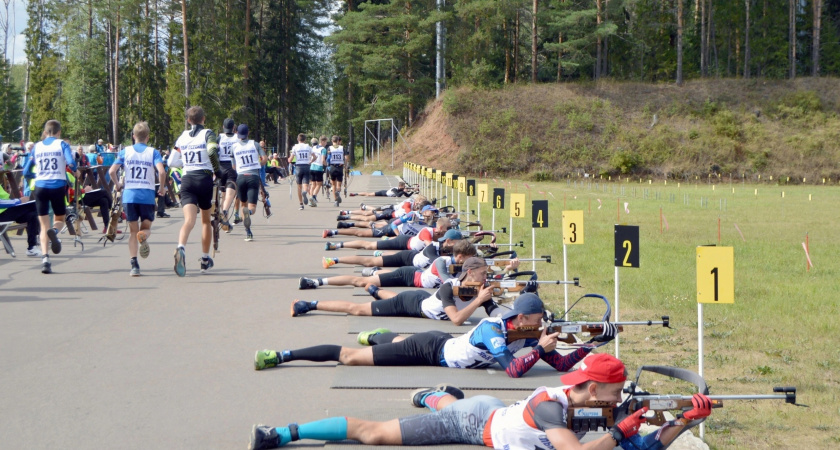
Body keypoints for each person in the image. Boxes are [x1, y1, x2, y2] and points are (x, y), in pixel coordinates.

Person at [248, 353, 713, 450]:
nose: (620, 399)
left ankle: (435, 397)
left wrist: (684, 421)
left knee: (449, 403)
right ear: (592, 390)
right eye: (615, 393)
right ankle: (283, 433)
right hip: (476, 424)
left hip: (494, 411)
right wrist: (622, 428)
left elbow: (638, 447)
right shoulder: (553, 408)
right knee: (374, 435)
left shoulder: (585, 403)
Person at [256, 293, 613, 379]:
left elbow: (564, 365)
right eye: (536, 321)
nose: (540, 326)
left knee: (392, 343)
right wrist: (540, 348)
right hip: (431, 349)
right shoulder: (494, 331)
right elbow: (514, 371)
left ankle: (384, 336)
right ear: (520, 317)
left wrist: (594, 343)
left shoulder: (529, 335)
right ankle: (284, 354)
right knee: (350, 357)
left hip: (440, 348)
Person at [293, 256, 501, 325]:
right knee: (357, 309)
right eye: (483, 273)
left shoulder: (480, 288)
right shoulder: (450, 287)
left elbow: (496, 313)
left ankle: (375, 290)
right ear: (471, 272)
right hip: (413, 304)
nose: (486, 277)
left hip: (421, 300)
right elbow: (456, 320)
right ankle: (309, 305)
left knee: (393, 298)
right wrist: (478, 300)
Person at [298, 238, 474, 290]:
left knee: (373, 272)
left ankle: (376, 271)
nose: (470, 263)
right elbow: (449, 283)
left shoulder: (457, 265)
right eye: (468, 259)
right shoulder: (441, 260)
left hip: (415, 273)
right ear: (459, 256)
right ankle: (317, 281)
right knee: (360, 282)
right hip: (409, 274)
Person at [108, 122, 166, 276]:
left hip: (130, 194)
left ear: (133, 136)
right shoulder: (153, 152)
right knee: (146, 227)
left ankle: (134, 264)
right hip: (146, 194)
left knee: (133, 232)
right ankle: (144, 235)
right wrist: (161, 188)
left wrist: (118, 184)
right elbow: (161, 172)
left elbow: (112, 171)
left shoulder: (125, 152)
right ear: (147, 137)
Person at [21, 120, 78, 273]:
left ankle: (45, 259)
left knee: (43, 224)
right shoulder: (62, 144)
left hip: (40, 186)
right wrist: (75, 169)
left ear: (45, 132)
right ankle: (55, 232)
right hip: (57, 186)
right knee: (59, 219)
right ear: (59, 132)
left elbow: (25, 172)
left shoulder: (37, 146)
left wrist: (38, 174)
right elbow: (71, 163)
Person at [172, 106, 221, 276]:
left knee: (189, 220)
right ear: (203, 119)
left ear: (188, 120)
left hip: (187, 179)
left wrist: (185, 163)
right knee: (205, 221)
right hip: (204, 178)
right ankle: (205, 260)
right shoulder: (208, 133)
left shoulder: (182, 137)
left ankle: (181, 247)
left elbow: (172, 160)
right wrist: (218, 170)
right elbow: (212, 151)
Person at [322, 227, 464, 270]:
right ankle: (334, 257)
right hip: (405, 248)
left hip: (411, 255)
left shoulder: (442, 245)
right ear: (449, 241)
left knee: (373, 260)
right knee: (368, 252)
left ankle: (380, 257)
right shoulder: (431, 240)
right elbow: (436, 260)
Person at [231, 124, 266, 242]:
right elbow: (265, 159)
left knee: (243, 204)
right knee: (252, 207)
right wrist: (258, 165)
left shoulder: (234, 147)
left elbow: (234, 166)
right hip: (253, 176)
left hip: (241, 177)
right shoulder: (255, 144)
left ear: (237, 134)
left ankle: (248, 232)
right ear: (248, 133)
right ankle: (249, 213)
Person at [0, 184, 41, 256]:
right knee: (34, 205)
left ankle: (32, 248)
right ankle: (42, 235)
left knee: (32, 215)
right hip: (3, 213)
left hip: (6, 211)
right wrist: (18, 201)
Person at [216, 118, 239, 232]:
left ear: (223, 127)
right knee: (231, 194)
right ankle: (225, 212)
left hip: (220, 167)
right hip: (232, 167)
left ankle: (225, 223)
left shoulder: (220, 137)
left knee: (224, 196)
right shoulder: (237, 138)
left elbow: (214, 150)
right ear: (234, 127)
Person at [288, 134, 314, 210]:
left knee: (299, 186)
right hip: (306, 166)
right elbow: (314, 156)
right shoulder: (308, 147)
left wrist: (289, 160)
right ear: (305, 139)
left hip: (298, 166)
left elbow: (290, 159)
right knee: (306, 184)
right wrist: (311, 161)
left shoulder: (295, 147)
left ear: (298, 139)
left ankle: (301, 204)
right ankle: (305, 192)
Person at [307, 137, 326, 207]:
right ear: (323, 141)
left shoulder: (313, 148)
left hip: (312, 167)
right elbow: (323, 160)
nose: (326, 144)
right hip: (319, 168)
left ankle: (310, 198)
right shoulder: (323, 149)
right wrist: (326, 164)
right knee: (319, 184)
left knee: (313, 184)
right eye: (326, 142)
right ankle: (313, 197)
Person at [327, 135, 345, 206]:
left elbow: (328, 159)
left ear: (332, 141)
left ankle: (335, 201)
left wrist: (328, 166)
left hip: (332, 167)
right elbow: (345, 158)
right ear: (338, 141)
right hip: (340, 167)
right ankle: (338, 192)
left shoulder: (329, 148)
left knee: (333, 184)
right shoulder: (342, 148)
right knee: (339, 184)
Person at [350, 180, 415, 198]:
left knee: (369, 194)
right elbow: (398, 195)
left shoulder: (401, 190)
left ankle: (356, 194)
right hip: (383, 192)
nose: (404, 188)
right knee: (368, 194)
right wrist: (404, 191)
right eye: (403, 187)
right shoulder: (395, 189)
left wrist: (413, 191)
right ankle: (355, 194)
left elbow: (407, 196)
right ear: (400, 186)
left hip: (386, 194)